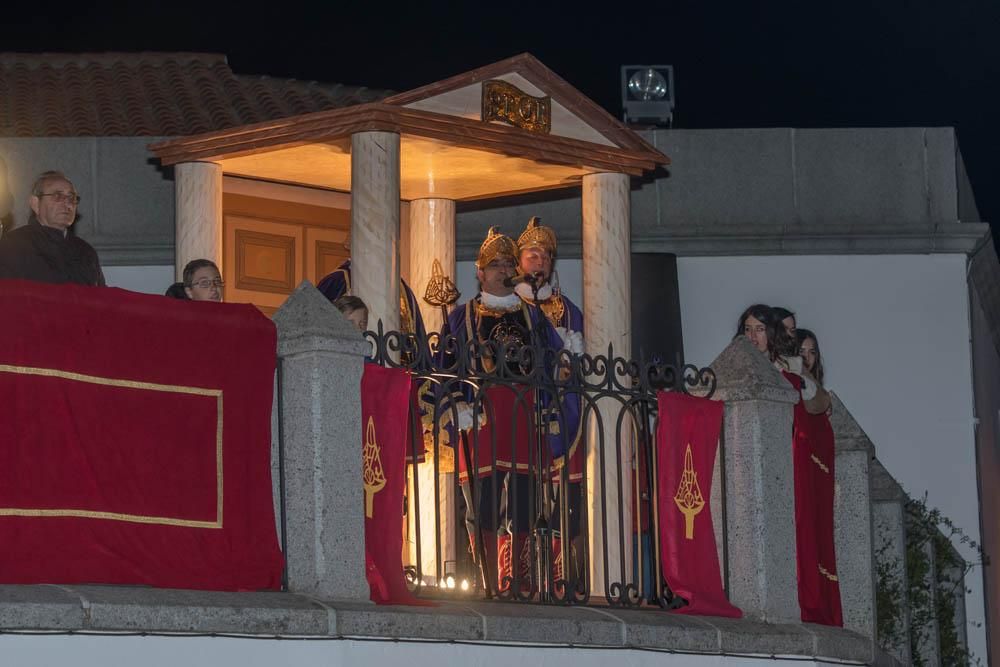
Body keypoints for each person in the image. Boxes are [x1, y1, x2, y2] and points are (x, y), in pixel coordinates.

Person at [435, 226, 565, 593]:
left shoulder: (532, 315)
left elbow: (554, 363)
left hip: (523, 416)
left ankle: (516, 578)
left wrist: (548, 404)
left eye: (508, 263)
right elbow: (444, 365)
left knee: (524, 501)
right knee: (483, 501)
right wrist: (458, 403)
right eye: (494, 265)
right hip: (483, 418)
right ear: (479, 272)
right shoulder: (462, 316)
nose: (502, 270)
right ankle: (486, 578)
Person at [0, 170, 105, 286]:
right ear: (35, 203)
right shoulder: (12, 245)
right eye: (57, 196)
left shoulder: (86, 252)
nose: (67, 204)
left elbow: (100, 299)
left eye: (71, 198)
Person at [736, 304, 828, 414]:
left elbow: (821, 403)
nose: (752, 336)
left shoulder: (791, 364)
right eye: (747, 329)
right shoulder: (733, 363)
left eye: (760, 329)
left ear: (771, 331)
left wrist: (799, 383)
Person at [317, 259, 425, 340]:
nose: (358, 329)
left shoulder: (401, 288)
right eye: (351, 323)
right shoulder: (337, 282)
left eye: (362, 324)